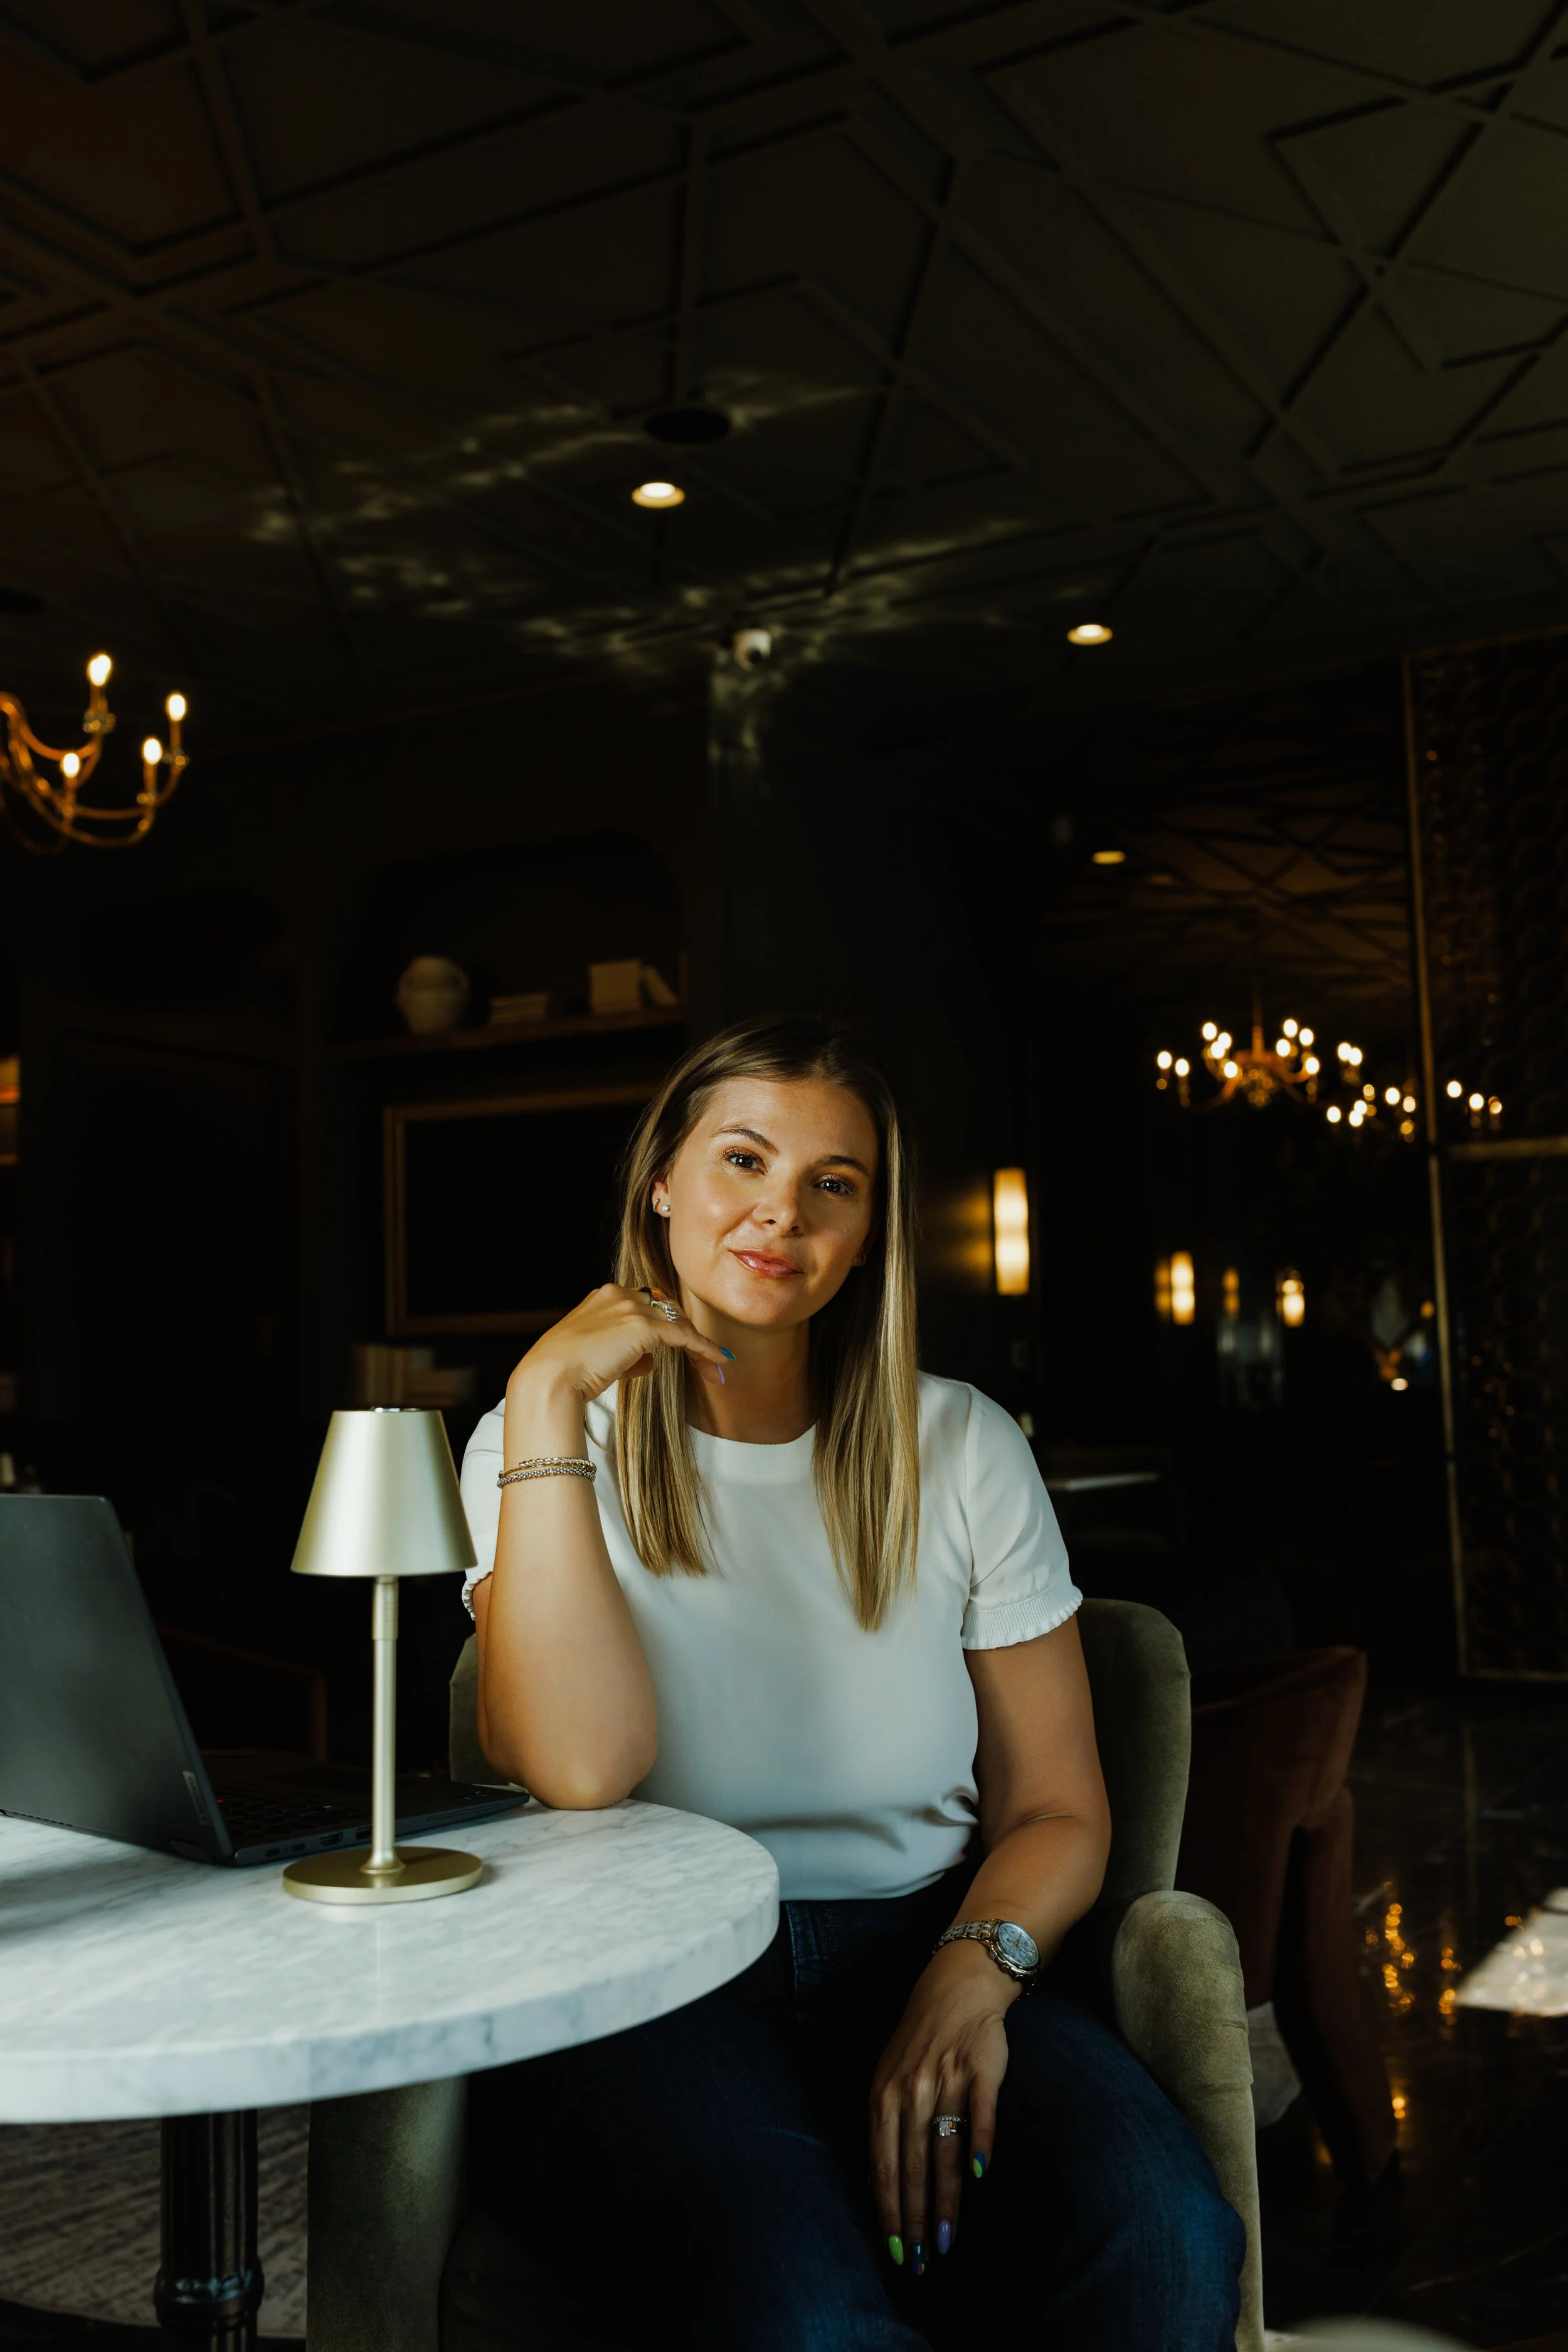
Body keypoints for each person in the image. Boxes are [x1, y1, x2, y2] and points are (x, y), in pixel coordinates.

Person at [461, 1014, 1244, 2351]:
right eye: (743, 1160)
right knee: (808, 2317)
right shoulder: (539, 1436)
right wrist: (543, 1401)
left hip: (918, 1936)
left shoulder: (960, 1442)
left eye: (832, 1182)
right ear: (662, 1179)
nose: (781, 1213)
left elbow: (1057, 1804)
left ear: (871, 1225)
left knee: (1165, 2235)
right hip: (648, 1981)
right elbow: (582, 1766)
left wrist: (969, 1973)